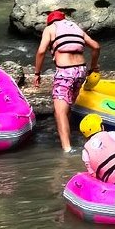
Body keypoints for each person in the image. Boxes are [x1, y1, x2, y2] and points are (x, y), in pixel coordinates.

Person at [34, 9, 100, 152]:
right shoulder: (75, 27)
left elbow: (40, 51)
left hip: (65, 72)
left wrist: (37, 73)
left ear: (50, 21)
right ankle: (68, 135)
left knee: (59, 111)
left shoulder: (50, 29)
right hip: (81, 71)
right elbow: (96, 46)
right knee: (67, 106)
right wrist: (93, 67)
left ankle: (67, 148)